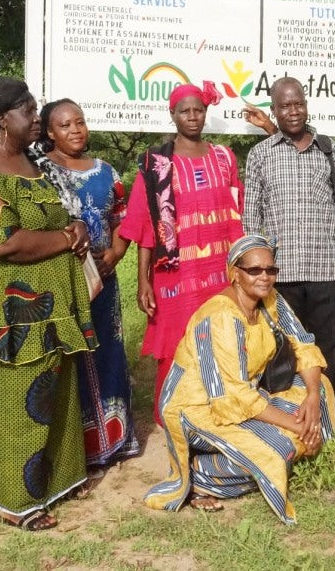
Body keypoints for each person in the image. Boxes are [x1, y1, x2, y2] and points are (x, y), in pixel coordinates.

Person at [0, 76, 96, 531]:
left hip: (54, 303)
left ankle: (59, 480)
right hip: (16, 312)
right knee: (21, 402)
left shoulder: (32, 163)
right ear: (1, 118)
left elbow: (58, 214)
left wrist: (78, 228)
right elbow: (3, 245)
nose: (37, 118)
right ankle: (16, 502)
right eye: (29, 112)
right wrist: (64, 237)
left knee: (58, 396)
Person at [144, 235, 335, 524]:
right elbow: (232, 397)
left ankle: (276, 443)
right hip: (198, 408)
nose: (265, 277)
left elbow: (302, 343)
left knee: (320, 387)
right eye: (255, 270)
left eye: (271, 270)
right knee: (278, 450)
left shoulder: (269, 299)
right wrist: (299, 425)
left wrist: (310, 396)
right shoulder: (220, 317)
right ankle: (199, 475)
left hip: (245, 396)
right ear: (234, 273)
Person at [120, 82, 244, 426]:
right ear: (172, 115)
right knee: (176, 342)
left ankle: (218, 408)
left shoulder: (224, 157)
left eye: (198, 110)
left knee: (221, 337)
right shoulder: (158, 163)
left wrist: (243, 266)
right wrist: (143, 281)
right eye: (184, 111)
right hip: (176, 274)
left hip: (221, 269)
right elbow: (146, 225)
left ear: (206, 113)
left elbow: (237, 212)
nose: (192, 117)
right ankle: (174, 414)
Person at [29, 98, 140, 470]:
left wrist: (115, 255)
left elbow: (124, 220)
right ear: (49, 132)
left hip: (104, 282)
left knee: (108, 351)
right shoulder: (39, 172)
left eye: (79, 122)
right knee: (70, 356)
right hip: (64, 282)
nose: (75, 130)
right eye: (65, 125)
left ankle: (115, 441)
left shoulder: (107, 171)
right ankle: (72, 450)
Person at [242, 77, 335, 396]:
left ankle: (331, 412)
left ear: (306, 106)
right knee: (282, 348)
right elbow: (251, 212)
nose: (293, 111)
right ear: (275, 110)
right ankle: (291, 411)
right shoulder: (260, 154)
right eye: (285, 106)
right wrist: (253, 263)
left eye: (299, 104)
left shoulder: (329, 149)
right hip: (281, 270)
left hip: (326, 268)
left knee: (330, 346)